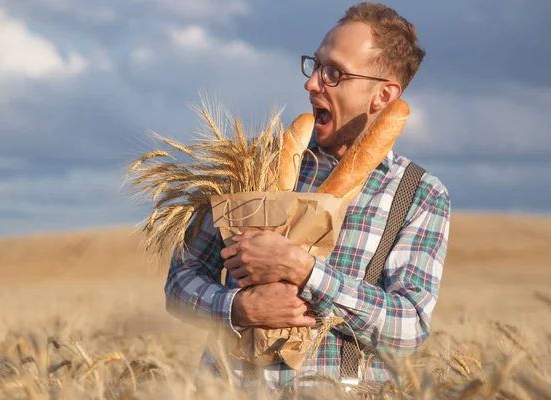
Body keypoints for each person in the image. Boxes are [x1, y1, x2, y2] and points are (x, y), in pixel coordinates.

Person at [164, 1, 450, 391]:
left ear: (382, 95)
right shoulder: (249, 165)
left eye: (334, 73)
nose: (312, 83)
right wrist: (238, 307)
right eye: (315, 65)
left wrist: (305, 271)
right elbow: (180, 281)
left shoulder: (418, 194)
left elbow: (409, 325)